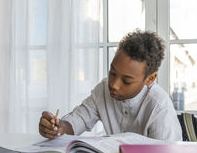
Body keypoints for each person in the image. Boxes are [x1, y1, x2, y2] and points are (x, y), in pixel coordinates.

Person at [38, 29, 182, 140]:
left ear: (150, 79)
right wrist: (57, 128)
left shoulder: (160, 108)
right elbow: (77, 121)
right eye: (112, 73)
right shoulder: (103, 90)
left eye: (126, 81)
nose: (114, 85)